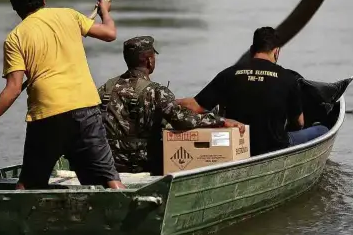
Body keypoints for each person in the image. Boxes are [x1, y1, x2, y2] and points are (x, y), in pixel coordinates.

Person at [0, 0, 125, 190]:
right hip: (86, 107)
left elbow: (12, 90)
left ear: (14, 7)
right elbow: (110, 33)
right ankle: (123, 205)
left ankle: (16, 218)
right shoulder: (69, 15)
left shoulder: (16, 37)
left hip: (48, 113)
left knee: (27, 185)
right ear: (44, 0)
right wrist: (105, 12)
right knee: (109, 179)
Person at [97, 36, 245, 174]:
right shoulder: (156, 91)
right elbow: (184, 120)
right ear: (149, 61)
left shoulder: (105, 88)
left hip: (109, 162)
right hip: (142, 164)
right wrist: (221, 120)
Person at [177, 27, 328, 156]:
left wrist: (164, 100)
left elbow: (196, 106)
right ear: (276, 52)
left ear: (251, 50)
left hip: (238, 146)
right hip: (275, 146)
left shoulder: (229, 74)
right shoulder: (288, 78)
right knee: (321, 129)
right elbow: (299, 123)